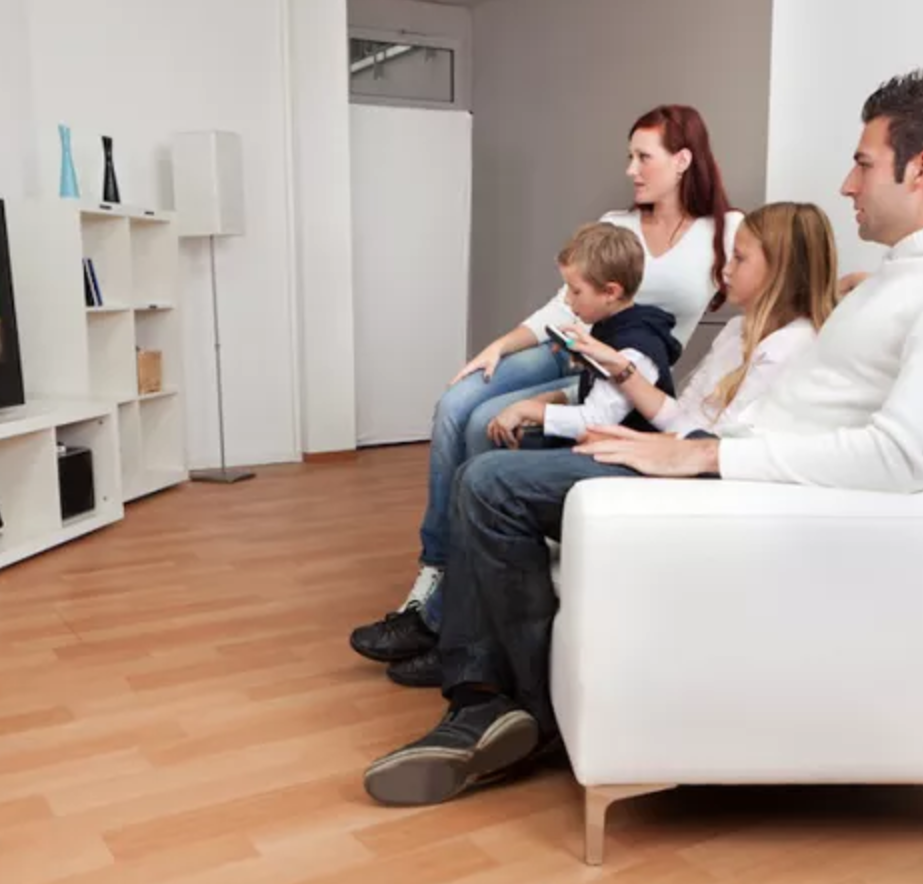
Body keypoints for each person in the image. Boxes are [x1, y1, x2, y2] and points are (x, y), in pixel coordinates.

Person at [361, 67, 923, 808]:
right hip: (732, 465)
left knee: (493, 485)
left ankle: (506, 708)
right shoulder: (914, 273)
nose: (848, 185)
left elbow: (906, 455)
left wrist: (706, 453)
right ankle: (484, 691)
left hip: (742, 487)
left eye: (862, 162)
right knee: (486, 457)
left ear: (922, 168)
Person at [376, 201, 843, 690]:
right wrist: (618, 372)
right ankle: (458, 640)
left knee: (485, 477)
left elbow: (717, 449)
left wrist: (637, 435)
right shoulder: (736, 330)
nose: (725, 269)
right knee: (481, 461)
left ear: (782, 269)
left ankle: (474, 659)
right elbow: (680, 416)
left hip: (682, 481)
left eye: (741, 258)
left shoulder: (792, 347)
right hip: (656, 452)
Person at [349, 104, 742, 665]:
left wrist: (843, 287)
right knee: (458, 401)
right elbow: (563, 306)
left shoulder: (725, 232)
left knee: (487, 427)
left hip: (625, 367)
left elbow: (784, 271)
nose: (631, 169)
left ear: (683, 160)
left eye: (643, 157)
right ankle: (434, 575)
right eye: (629, 155)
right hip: (572, 345)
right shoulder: (618, 222)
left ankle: (463, 604)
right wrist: (500, 346)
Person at [484, 221, 684, 453]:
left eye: (576, 291)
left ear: (611, 292)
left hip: (625, 455)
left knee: (486, 466)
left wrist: (526, 409)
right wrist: (552, 399)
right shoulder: (607, 326)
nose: (568, 300)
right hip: (599, 442)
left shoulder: (635, 350)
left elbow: (595, 421)